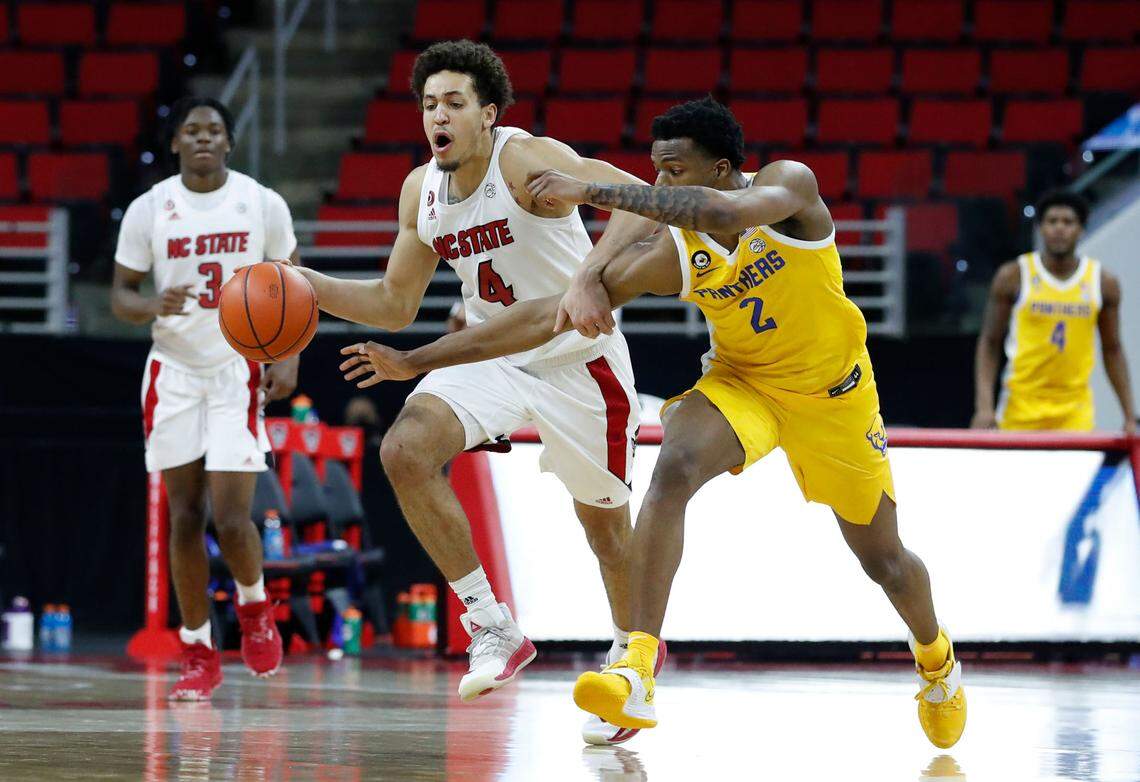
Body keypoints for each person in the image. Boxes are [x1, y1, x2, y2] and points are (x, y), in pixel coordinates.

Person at [339, 97, 967, 749]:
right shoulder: (674, 254)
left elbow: (722, 212)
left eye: (675, 170)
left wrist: (588, 190)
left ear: (723, 167)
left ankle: (936, 660)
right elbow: (539, 319)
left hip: (835, 398)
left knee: (886, 563)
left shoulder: (789, 186)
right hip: (744, 385)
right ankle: (636, 667)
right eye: (656, 170)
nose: (660, 183)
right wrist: (415, 359)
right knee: (674, 467)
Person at [294, 41, 661, 744]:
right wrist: (304, 284)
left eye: (455, 103)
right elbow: (395, 303)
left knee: (607, 532)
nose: (439, 116)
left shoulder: (524, 160)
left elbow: (640, 202)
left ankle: (631, 670)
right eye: (429, 104)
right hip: (492, 352)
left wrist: (589, 275)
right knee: (404, 448)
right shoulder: (420, 191)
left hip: (578, 361)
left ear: (488, 115)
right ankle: (491, 624)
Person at [111, 97, 298, 700]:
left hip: (234, 368)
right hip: (172, 370)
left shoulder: (261, 202)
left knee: (231, 517)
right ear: (175, 143)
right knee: (183, 518)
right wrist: (148, 305)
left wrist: (288, 353)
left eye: (213, 130)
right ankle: (198, 648)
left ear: (228, 142)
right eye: (190, 130)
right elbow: (122, 294)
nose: (201, 138)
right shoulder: (149, 209)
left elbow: (294, 283)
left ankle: (253, 607)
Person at [973, 189, 1135, 434]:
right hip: (1020, 410)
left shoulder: (1102, 282)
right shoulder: (1013, 275)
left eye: (1068, 222)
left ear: (1081, 229)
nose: (1059, 228)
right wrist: (984, 408)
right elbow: (990, 343)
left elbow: (1112, 349)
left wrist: (1129, 415)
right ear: (1040, 228)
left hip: (1075, 414)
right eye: (1052, 221)